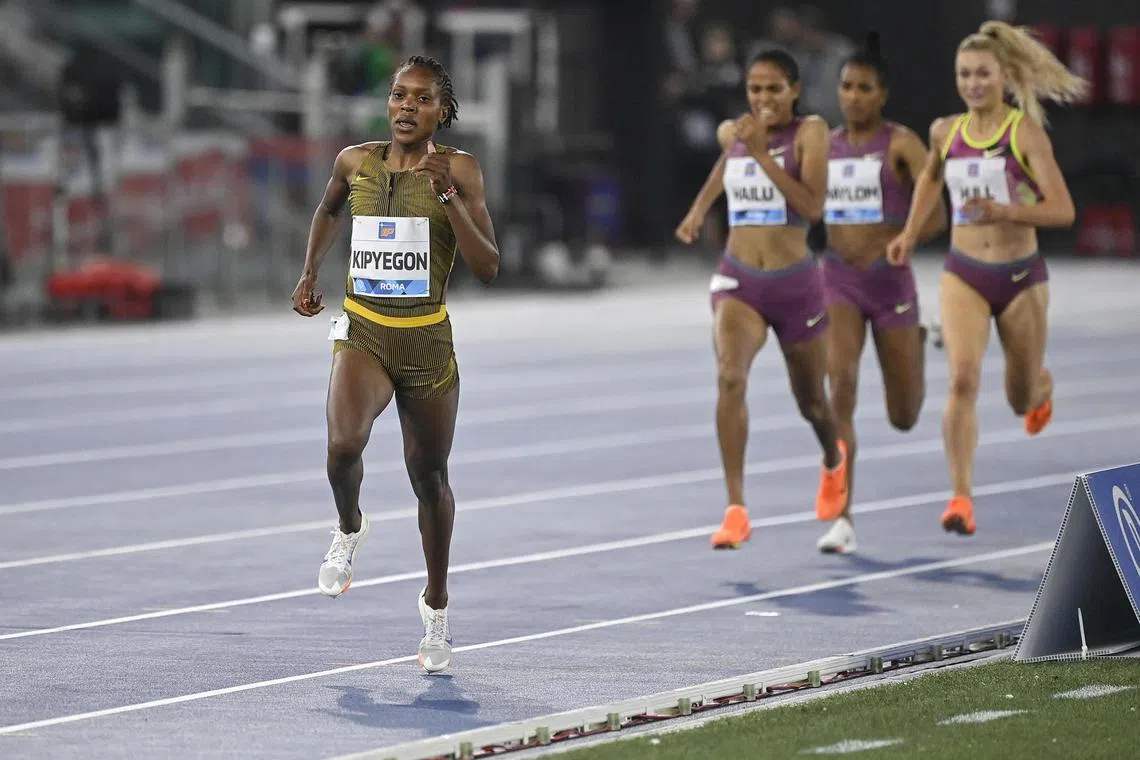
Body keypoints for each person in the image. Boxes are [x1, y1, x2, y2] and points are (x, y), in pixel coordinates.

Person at [291, 55, 500, 673]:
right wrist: (309, 271)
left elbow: (488, 265)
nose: (407, 106)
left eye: (422, 98)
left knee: (428, 478)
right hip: (363, 329)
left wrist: (447, 196)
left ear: (442, 111)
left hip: (426, 340)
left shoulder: (460, 169)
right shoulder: (354, 161)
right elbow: (329, 209)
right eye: (398, 95)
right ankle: (349, 526)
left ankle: (436, 605)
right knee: (341, 446)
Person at [886, 21, 1085, 535]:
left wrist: (1006, 211)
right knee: (962, 378)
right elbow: (930, 178)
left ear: (1004, 78)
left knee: (1020, 397)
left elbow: (1063, 210)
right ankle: (960, 498)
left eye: (983, 74)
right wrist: (909, 234)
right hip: (965, 273)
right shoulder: (945, 132)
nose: (973, 84)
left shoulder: (1023, 134)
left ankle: (1041, 387)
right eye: (965, 75)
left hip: (1020, 278)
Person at [675, 49, 848, 550]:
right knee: (730, 376)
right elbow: (725, 163)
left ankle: (833, 459)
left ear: (794, 91)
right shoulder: (739, 133)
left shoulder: (811, 132)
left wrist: (763, 154)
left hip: (795, 285)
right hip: (740, 280)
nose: (764, 98)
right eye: (755, 89)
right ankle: (736, 509)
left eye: (774, 89)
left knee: (812, 402)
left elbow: (811, 207)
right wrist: (698, 210)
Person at [816, 32, 947, 554]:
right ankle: (842, 516)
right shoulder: (824, 146)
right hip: (838, 281)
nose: (853, 97)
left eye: (864, 88)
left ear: (882, 94)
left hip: (891, 285)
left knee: (904, 415)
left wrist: (906, 238)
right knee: (840, 388)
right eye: (846, 86)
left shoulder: (902, 144)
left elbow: (937, 212)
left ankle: (916, 338)